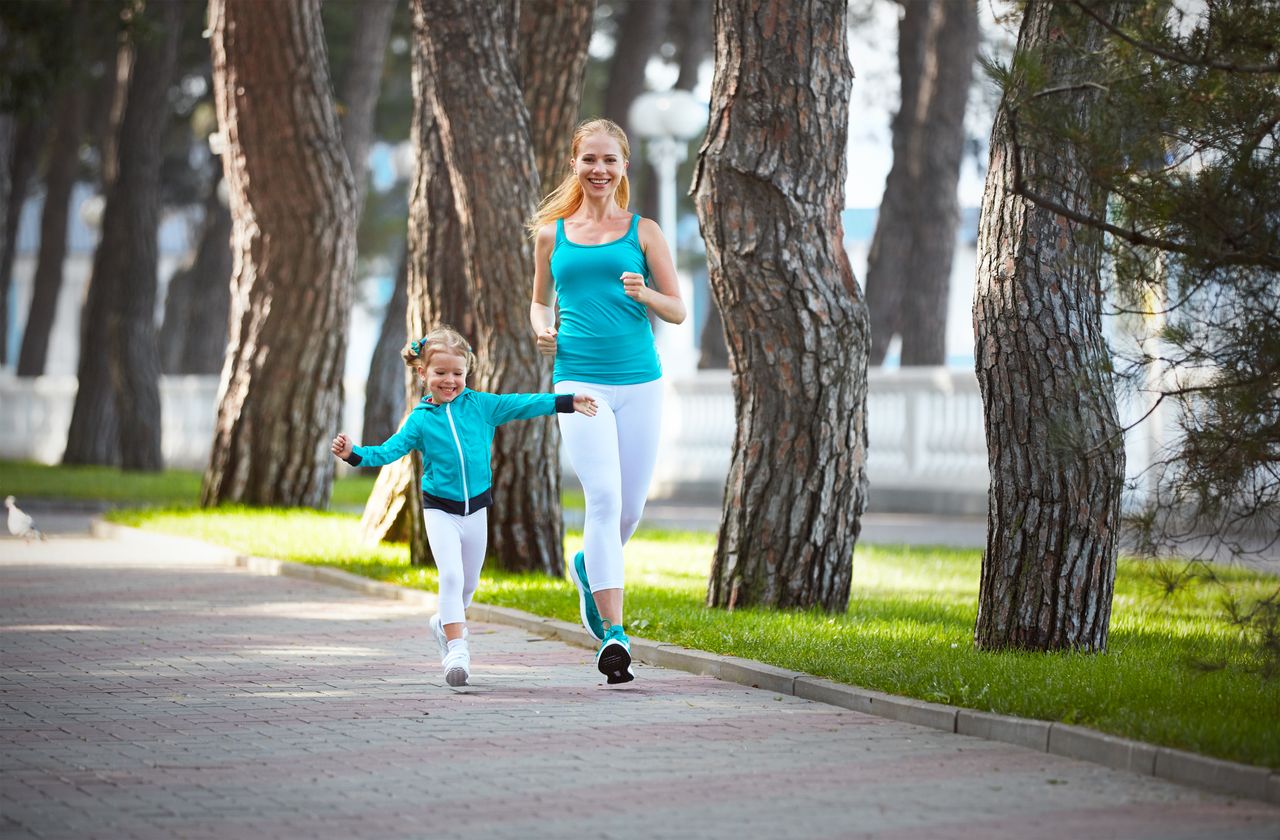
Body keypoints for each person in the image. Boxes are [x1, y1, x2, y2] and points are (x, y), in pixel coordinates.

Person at [331, 326, 597, 687]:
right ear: (423, 373)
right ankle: (457, 650)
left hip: (476, 511)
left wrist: (566, 402)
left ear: (467, 372)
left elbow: (522, 403)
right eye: (440, 373)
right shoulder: (420, 420)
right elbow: (389, 451)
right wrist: (354, 454)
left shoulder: (481, 407)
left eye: (457, 373)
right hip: (439, 509)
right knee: (452, 577)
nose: (450, 380)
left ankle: (444, 623)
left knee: (468, 584)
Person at [527, 118, 686, 684]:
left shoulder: (644, 232)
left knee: (629, 512)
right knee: (602, 498)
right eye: (589, 159)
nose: (599, 169)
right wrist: (542, 329)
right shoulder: (553, 234)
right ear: (575, 163)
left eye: (610, 160)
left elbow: (678, 309)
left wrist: (646, 292)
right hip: (578, 382)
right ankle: (615, 633)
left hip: (640, 382)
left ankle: (586, 567)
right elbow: (540, 302)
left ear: (623, 168)